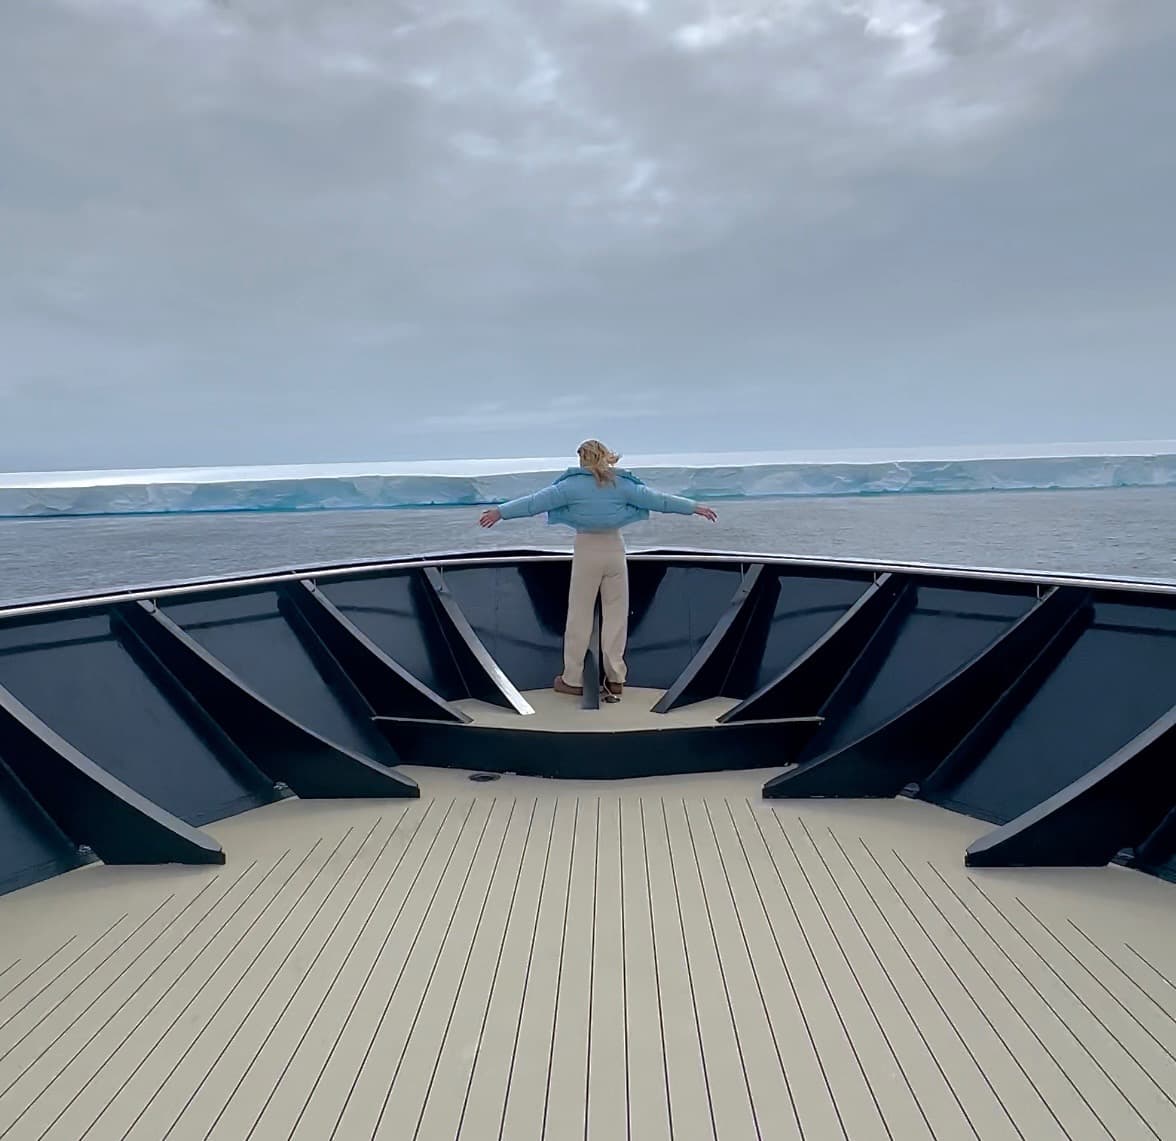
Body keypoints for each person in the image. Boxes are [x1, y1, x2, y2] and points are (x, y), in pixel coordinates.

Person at [479, 440, 717, 698]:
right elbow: (660, 500)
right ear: (605, 456)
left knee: (579, 616)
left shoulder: (569, 486)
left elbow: (533, 503)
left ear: (582, 459)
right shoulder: (621, 484)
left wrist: (500, 512)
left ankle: (572, 679)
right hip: (615, 548)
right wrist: (695, 507)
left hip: (586, 549)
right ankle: (616, 678)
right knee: (616, 615)